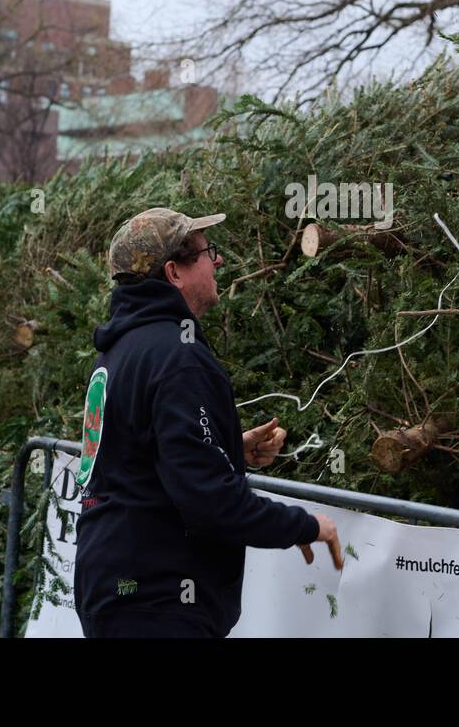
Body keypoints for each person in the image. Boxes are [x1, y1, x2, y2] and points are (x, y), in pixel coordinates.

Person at [73, 206, 344, 638]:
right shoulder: (176, 357)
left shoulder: (122, 348)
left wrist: (228, 446)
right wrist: (305, 525)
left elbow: (137, 461)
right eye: (205, 252)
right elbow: (209, 502)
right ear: (174, 273)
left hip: (115, 588)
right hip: (158, 602)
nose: (218, 260)